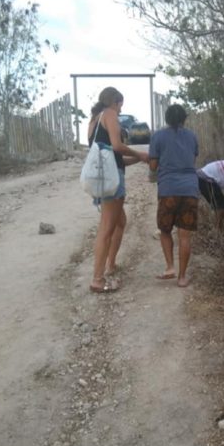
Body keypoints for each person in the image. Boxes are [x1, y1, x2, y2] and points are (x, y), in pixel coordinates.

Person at [88, 87, 149, 293]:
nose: (121, 108)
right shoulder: (110, 114)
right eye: (120, 104)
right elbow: (117, 146)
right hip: (112, 180)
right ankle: (97, 279)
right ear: (115, 101)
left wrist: (140, 160)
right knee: (106, 228)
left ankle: (110, 265)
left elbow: (114, 157)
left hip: (103, 178)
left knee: (120, 222)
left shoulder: (95, 120)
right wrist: (140, 154)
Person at [149, 104, 199, 288]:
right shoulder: (192, 136)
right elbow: (192, 162)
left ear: (167, 118)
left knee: (165, 230)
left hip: (168, 189)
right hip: (190, 190)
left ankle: (170, 267)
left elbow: (153, 166)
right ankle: (182, 277)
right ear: (184, 119)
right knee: (184, 235)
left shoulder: (158, 136)